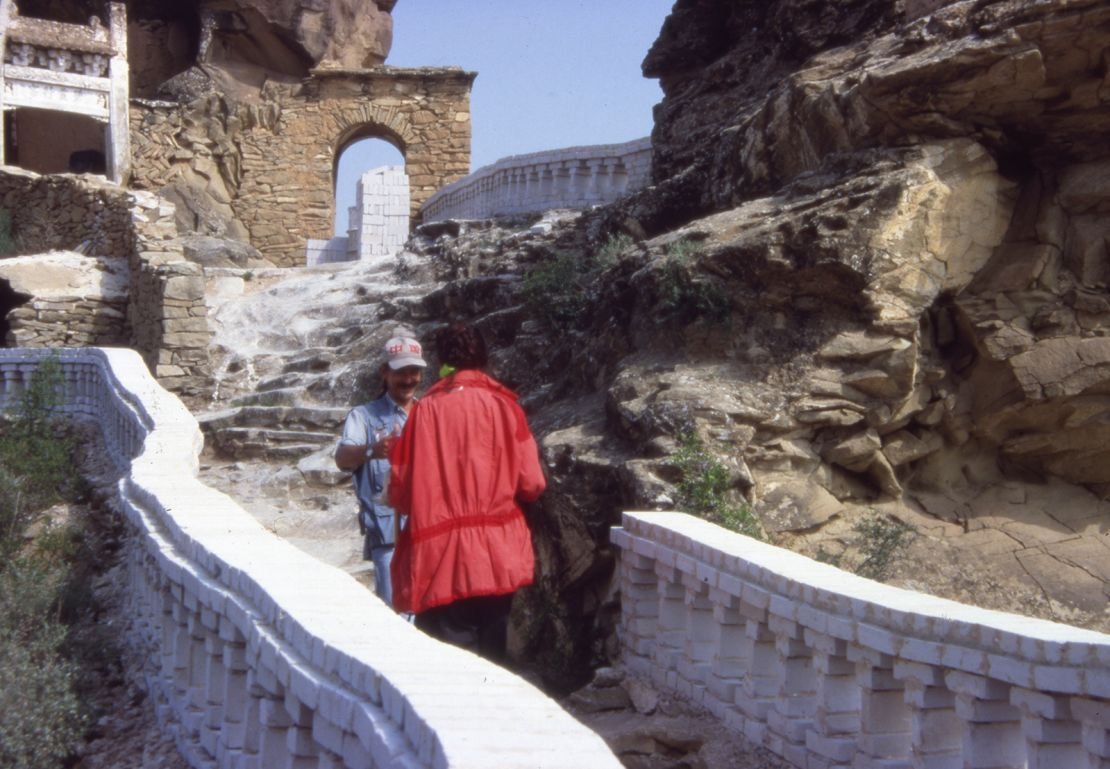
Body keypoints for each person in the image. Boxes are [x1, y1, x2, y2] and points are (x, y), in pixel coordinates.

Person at [388, 322, 546, 660]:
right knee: (493, 659)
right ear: (483, 357)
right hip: (496, 553)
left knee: (447, 662)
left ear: (444, 360)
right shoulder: (507, 408)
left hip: (440, 556)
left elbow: (400, 493)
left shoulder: (424, 411)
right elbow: (532, 483)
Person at [334, 335, 426, 605]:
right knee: (397, 612)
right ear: (385, 372)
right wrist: (372, 450)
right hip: (388, 536)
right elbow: (342, 458)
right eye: (400, 372)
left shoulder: (429, 413)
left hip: (428, 532)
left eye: (414, 372)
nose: (408, 379)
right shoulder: (362, 416)